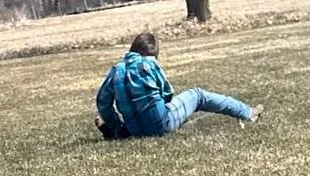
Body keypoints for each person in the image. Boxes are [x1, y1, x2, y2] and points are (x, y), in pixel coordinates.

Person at [95, 32, 259, 140]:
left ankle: (121, 132)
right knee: (197, 95)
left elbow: (103, 103)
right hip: (162, 124)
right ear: (153, 52)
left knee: (133, 119)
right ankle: (247, 112)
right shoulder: (150, 64)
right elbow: (167, 92)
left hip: (134, 130)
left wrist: (116, 125)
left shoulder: (116, 71)